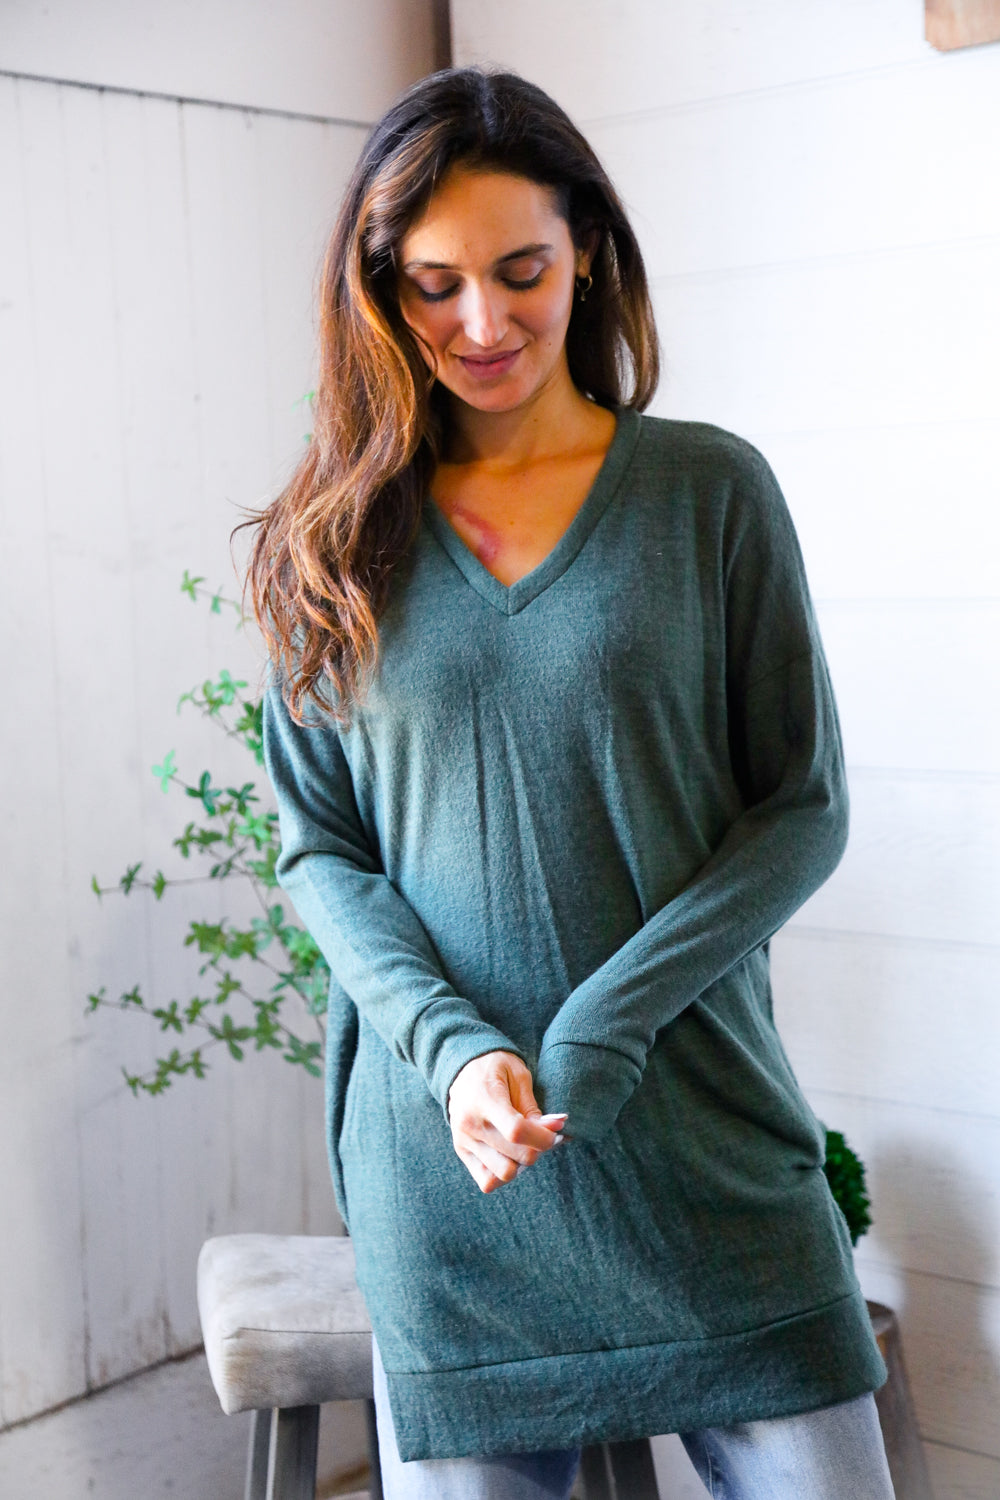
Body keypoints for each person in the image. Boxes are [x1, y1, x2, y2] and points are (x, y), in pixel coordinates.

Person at [248, 67, 895, 1500]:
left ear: (588, 249)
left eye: (522, 271)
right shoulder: (331, 540)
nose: (483, 324)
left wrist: (605, 1020)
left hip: (707, 1146)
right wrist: (453, 1049)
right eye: (434, 286)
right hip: (459, 1180)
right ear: (380, 293)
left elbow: (801, 808)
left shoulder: (709, 494)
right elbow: (320, 850)